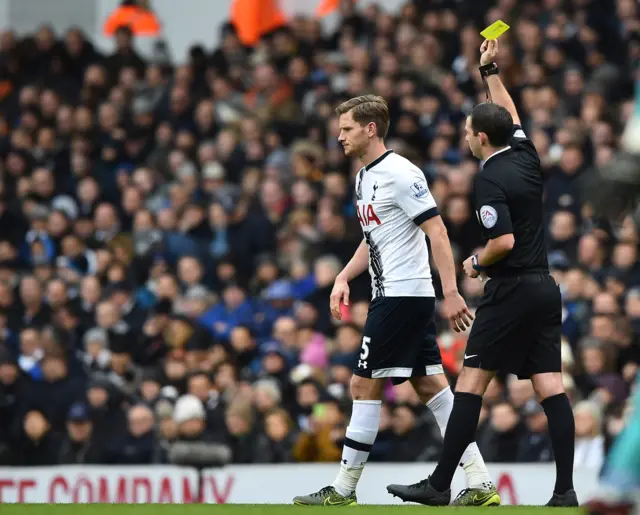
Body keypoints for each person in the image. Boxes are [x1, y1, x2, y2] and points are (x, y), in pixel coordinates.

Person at [386, 39, 578, 507]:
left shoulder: (490, 177)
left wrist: (474, 263)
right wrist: (490, 71)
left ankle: (438, 485)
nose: (465, 137)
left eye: (469, 131)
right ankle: (565, 492)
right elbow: (509, 113)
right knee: (550, 386)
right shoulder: (526, 155)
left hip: (510, 289)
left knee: (471, 383)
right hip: (544, 287)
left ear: (481, 138)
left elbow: (503, 242)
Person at [293, 94, 499, 506]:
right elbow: (374, 239)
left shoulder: (402, 173)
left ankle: (343, 488)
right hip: (398, 295)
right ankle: (480, 481)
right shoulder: (363, 176)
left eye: (347, 129)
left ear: (371, 129)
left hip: (403, 295)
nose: (340, 137)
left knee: (361, 384)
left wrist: (452, 292)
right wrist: (343, 276)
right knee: (433, 388)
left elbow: (438, 232)